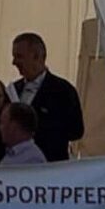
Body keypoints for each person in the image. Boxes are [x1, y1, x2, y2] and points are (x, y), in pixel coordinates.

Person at [8, 32, 84, 161]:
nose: (14, 62)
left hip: (49, 166)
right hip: (17, 166)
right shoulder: (13, 89)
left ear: (37, 56)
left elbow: (76, 131)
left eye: (19, 56)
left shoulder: (63, 90)